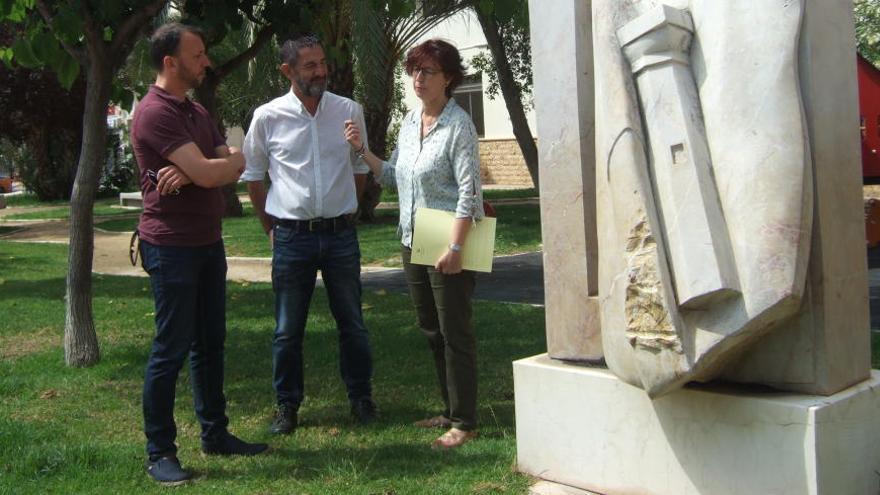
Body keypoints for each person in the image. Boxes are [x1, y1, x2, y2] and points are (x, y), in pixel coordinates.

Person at [131, 22, 268, 485]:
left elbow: (235, 159)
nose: (205, 61)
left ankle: (215, 433)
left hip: (207, 243)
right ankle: (160, 453)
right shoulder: (155, 113)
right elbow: (217, 169)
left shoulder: (196, 109)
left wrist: (196, 171)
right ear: (170, 62)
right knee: (170, 350)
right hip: (170, 247)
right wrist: (209, 169)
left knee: (210, 344)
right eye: (197, 55)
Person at [344, 39, 484, 449]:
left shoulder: (459, 125)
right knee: (431, 330)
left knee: (455, 331)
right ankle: (450, 408)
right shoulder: (409, 122)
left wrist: (456, 249)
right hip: (412, 238)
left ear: (449, 79)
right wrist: (363, 152)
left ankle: (465, 421)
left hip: (447, 239)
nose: (418, 79)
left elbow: (469, 193)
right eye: (415, 71)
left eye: (428, 72)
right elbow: (395, 177)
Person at [242, 34, 376, 435]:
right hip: (291, 237)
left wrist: (348, 210)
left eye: (322, 63)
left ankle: (361, 398)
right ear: (288, 71)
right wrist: (272, 229)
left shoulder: (348, 110)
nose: (320, 71)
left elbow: (360, 168)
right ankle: (287, 406)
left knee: (352, 322)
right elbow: (253, 177)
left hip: (339, 237)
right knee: (287, 330)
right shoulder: (267, 117)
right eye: (310, 66)